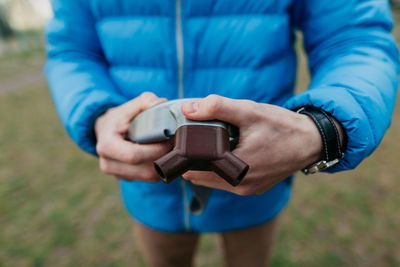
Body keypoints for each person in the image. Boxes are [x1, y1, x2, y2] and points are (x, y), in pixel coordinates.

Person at [44, 0, 399, 266]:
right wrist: (97, 114)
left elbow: (355, 35)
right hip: (148, 177)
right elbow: (71, 49)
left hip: (257, 172)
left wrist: (322, 127)